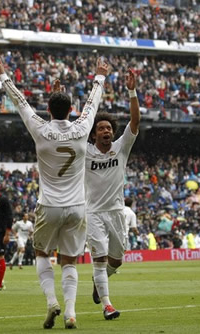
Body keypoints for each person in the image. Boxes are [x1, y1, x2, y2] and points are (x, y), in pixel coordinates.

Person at [0, 51, 109, 329]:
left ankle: (51, 302)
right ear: (71, 110)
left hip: (49, 205)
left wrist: (2, 74)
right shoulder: (82, 128)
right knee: (69, 261)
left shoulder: (41, 129)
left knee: (42, 254)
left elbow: (20, 102)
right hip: (77, 207)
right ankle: (70, 312)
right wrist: (100, 76)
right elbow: (92, 103)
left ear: (48, 109)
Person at [85, 68, 140, 320]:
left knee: (116, 262)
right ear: (94, 133)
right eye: (101, 128)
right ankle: (107, 305)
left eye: (109, 128)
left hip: (116, 212)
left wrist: (131, 91)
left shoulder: (121, 148)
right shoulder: (85, 152)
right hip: (93, 212)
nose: (106, 131)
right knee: (99, 258)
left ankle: (100, 283)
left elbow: (135, 122)